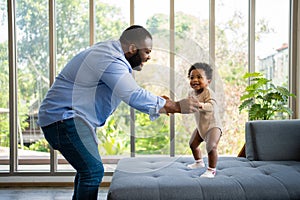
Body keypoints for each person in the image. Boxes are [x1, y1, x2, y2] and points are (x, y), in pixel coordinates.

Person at [38, 25, 200, 200]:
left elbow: (126, 92)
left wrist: (161, 103)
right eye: (146, 51)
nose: (149, 57)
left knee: (87, 170)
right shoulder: (110, 59)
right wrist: (175, 106)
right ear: (132, 48)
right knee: (92, 171)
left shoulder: (111, 55)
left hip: (67, 119)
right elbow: (132, 94)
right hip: (63, 118)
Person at [186, 62, 222, 178]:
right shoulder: (191, 93)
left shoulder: (208, 93)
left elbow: (212, 106)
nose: (195, 80)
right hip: (201, 126)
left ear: (208, 81)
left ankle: (211, 170)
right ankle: (199, 162)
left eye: (199, 77)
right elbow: (189, 105)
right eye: (192, 77)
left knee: (211, 146)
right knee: (193, 144)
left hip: (213, 126)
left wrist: (201, 105)